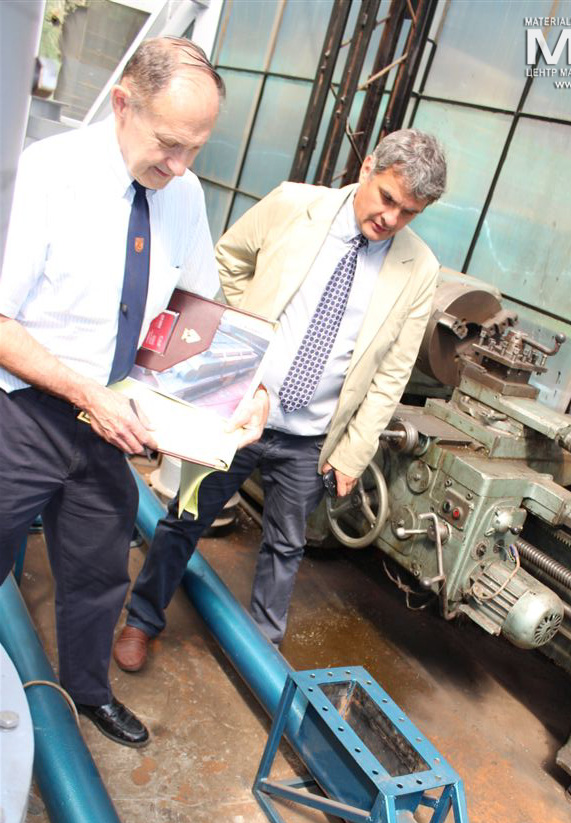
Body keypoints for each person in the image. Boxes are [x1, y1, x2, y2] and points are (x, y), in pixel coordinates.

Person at [0, 37, 266, 748]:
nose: (180, 166)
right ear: (123, 104)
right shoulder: (45, 174)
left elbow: (199, 312)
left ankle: (86, 692)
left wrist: (245, 391)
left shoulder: (181, 193)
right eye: (169, 144)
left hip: (109, 425)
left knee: (96, 572)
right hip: (22, 413)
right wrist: (89, 390)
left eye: (195, 149)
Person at [113, 128, 446, 669]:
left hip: (311, 437)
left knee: (286, 548)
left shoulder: (419, 268)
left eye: (409, 212)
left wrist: (353, 452)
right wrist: (251, 326)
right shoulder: (295, 204)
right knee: (185, 518)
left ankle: (262, 655)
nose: (391, 218)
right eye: (388, 198)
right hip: (241, 409)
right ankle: (141, 620)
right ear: (366, 170)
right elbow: (230, 257)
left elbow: (393, 372)